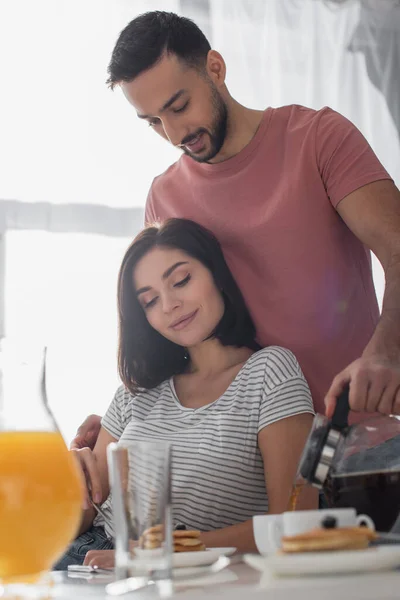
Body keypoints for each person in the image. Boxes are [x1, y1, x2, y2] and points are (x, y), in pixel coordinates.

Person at [72, 10, 400, 450]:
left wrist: (385, 351)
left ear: (216, 68)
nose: (173, 134)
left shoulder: (319, 138)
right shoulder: (164, 198)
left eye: (179, 106)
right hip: (242, 462)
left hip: (355, 437)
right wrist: (126, 425)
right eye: (152, 121)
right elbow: (180, 339)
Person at [56, 218, 316, 569]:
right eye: (149, 301)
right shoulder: (135, 392)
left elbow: (294, 525)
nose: (168, 305)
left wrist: (157, 552)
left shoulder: (269, 372)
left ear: (217, 275)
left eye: (181, 281)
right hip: (84, 558)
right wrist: (68, 482)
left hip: (170, 574)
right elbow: (84, 515)